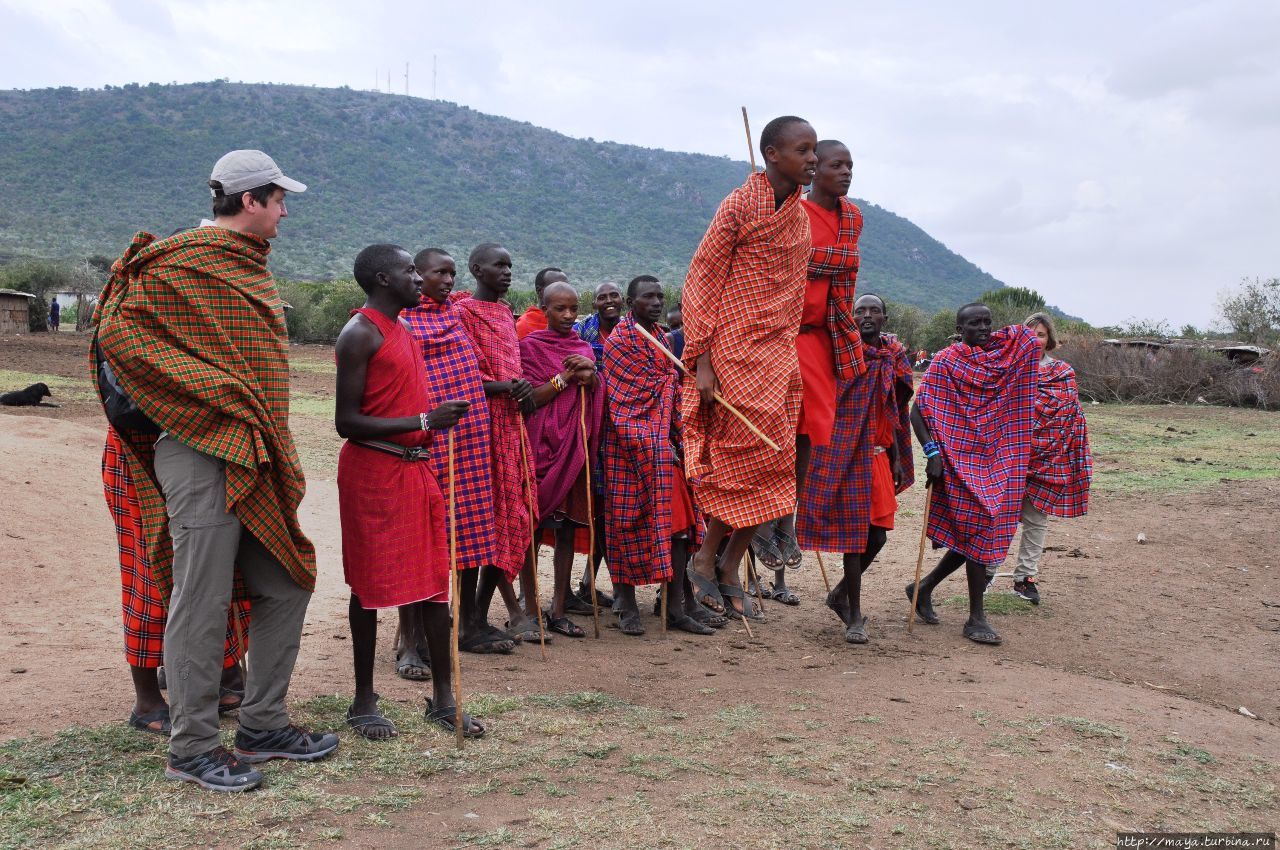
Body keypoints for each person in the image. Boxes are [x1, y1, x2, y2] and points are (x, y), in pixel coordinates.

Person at [93, 149, 335, 792]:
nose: (285, 211)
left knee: (286, 581)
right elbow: (121, 338)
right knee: (200, 598)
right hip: (200, 448)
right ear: (250, 199)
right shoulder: (174, 265)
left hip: (252, 452)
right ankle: (192, 746)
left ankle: (262, 723)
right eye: (279, 199)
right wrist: (218, 397)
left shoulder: (245, 267)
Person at [335, 244, 482, 740]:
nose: (418, 280)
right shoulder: (359, 334)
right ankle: (362, 701)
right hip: (373, 473)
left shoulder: (404, 331)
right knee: (369, 587)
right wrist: (424, 420)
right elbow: (345, 421)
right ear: (382, 279)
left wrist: (431, 423)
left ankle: (443, 699)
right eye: (408, 272)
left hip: (417, 469)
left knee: (435, 584)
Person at [681, 115, 818, 623]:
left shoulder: (799, 217)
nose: (812, 159)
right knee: (737, 464)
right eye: (803, 150)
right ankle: (704, 557)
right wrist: (703, 362)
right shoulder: (738, 205)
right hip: (732, 352)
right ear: (772, 154)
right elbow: (702, 280)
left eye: (814, 150)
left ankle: (729, 563)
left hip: (779, 356)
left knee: (774, 463)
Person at [755, 139, 867, 605]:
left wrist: (823, 265)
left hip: (825, 337)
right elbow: (786, 266)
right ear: (814, 167)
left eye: (850, 166)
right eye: (836, 165)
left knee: (811, 432)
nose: (845, 173)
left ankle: (788, 515)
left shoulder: (852, 218)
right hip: (783, 334)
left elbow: (830, 271)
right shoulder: (791, 213)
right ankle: (765, 517)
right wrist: (830, 263)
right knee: (779, 427)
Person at [907, 303, 1040, 646]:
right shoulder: (947, 361)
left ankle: (924, 587)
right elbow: (918, 411)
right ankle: (976, 617)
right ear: (959, 327)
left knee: (978, 534)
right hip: (958, 458)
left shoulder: (1006, 357)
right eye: (974, 323)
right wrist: (932, 451)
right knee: (978, 531)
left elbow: (1029, 338)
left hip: (998, 458)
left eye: (987, 322)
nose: (983, 328)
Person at [402, 249, 513, 659]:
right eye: (439, 273)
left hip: (470, 443)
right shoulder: (404, 319)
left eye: (451, 273)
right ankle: (411, 641)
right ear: (417, 275)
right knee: (425, 539)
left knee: (470, 533)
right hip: (428, 444)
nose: (447, 280)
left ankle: (466, 624)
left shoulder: (455, 315)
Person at [102, 427, 249, 736]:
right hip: (138, 452)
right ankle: (147, 703)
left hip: (198, 446)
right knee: (150, 574)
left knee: (210, 571)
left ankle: (218, 678)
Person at [602, 275, 716, 636]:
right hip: (628, 448)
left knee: (680, 527)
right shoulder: (622, 341)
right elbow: (625, 400)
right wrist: (671, 387)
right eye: (647, 297)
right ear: (630, 302)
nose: (655, 301)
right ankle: (628, 605)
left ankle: (676, 605)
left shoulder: (662, 337)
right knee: (626, 526)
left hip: (666, 448)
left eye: (660, 296)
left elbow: (670, 387)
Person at [798, 294, 913, 643]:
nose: (866, 316)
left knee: (877, 536)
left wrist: (895, 455)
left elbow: (895, 408)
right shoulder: (839, 354)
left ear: (885, 317)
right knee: (855, 535)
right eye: (859, 310)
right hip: (842, 451)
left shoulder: (894, 357)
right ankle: (854, 614)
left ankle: (838, 594)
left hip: (878, 453)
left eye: (873, 310)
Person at [453, 243, 544, 641]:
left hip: (510, 427)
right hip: (480, 427)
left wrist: (520, 388)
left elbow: (511, 368)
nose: (507, 272)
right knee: (484, 519)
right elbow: (462, 376)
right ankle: (467, 618)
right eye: (499, 265)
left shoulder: (506, 313)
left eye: (510, 265)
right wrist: (506, 386)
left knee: (512, 518)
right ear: (476, 269)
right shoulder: (462, 314)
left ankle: (477, 613)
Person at [986, 312, 1092, 604]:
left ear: (1050, 339)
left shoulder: (1062, 372)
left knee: (1036, 519)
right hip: (1011, 455)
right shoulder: (1008, 369)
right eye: (1030, 333)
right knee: (1001, 517)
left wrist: (1056, 450)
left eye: (1041, 334)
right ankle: (987, 573)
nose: (1035, 339)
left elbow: (1070, 417)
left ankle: (1025, 579)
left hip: (1048, 456)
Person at [521, 281, 604, 637]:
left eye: (574, 309)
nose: (569, 316)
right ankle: (528, 607)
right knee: (532, 530)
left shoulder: (584, 347)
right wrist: (564, 378)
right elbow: (528, 401)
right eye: (560, 309)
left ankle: (558, 607)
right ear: (544, 309)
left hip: (573, 449)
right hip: (538, 449)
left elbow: (596, 394)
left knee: (568, 529)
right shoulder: (528, 348)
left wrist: (593, 375)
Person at [572, 281, 624, 612]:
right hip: (587, 431)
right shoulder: (581, 335)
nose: (608, 301)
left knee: (609, 513)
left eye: (613, 296)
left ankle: (591, 582)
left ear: (623, 301)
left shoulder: (635, 335)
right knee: (585, 511)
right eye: (602, 297)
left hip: (622, 433)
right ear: (594, 303)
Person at [516, 267, 569, 340]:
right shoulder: (524, 325)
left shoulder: (568, 322)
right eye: (555, 287)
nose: (563, 292)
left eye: (566, 288)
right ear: (539, 291)